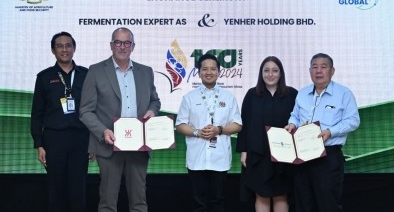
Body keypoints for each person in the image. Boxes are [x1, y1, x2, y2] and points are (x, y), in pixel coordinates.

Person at [79, 27, 160, 212]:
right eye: (118, 42)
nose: (122, 46)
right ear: (111, 45)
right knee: (107, 202)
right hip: (109, 145)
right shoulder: (96, 71)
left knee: (139, 202)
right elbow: (85, 111)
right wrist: (102, 131)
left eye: (126, 43)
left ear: (133, 46)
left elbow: (155, 101)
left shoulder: (145, 72)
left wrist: (152, 112)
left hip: (139, 145)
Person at [284, 53, 360, 212]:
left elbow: (353, 120)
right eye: (314, 67)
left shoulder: (344, 93)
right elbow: (295, 116)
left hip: (328, 156)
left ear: (332, 71)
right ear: (309, 70)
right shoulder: (302, 93)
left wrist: (330, 132)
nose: (318, 71)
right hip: (302, 156)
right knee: (303, 203)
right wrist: (292, 124)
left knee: (328, 204)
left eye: (323, 67)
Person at [30, 31, 90, 212]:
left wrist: (94, 142)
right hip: (54, 140)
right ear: (53, 50)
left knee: (78, 189)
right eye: (60, 46)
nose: (64, 50)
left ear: (74, 48)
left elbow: (95, 110)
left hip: (81, 140)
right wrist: (39, 144)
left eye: (68, 45)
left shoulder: (86, 75)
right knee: (55, 189)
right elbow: (37, 113)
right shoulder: (44, 77)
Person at [175, 53, 242, 212]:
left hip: (220, 158)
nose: (209, 72)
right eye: (205, 69)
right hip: (196, 158)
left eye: (213, 69)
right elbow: (180, 125)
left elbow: (238, 124)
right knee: (198, 203)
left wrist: (219, 130)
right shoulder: (189, 98)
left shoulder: (229, 97)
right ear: (199, 72)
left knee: (218, 201)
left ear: (219, 72)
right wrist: (198, 132)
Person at [236, 56, 297, 212]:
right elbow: (245, 124)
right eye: (266, 70)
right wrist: (244, 151)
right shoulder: (251, 95)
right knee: (261, 194)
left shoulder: (292, 94)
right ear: (261, 73)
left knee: (281, 195)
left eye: (275, 70)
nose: (270, 74)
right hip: (257, 154)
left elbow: (298, 121)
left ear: (281, 73)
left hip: (284, 154)